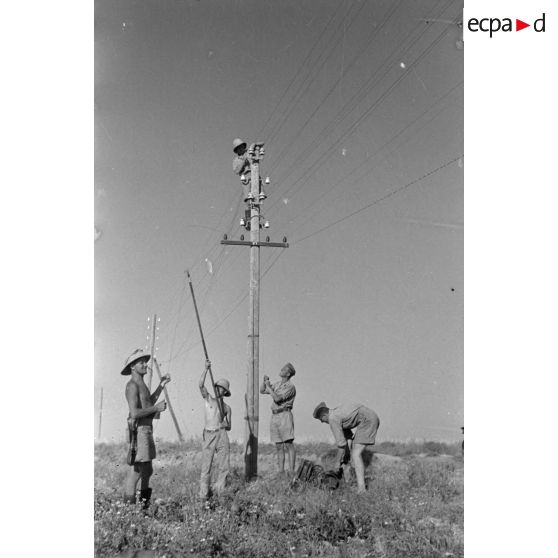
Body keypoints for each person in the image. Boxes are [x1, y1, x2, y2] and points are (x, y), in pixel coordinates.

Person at [122, 349, 170, 508]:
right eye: (141, 362)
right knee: (136, 471)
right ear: (133, 367)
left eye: (145, 361)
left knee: (147, 470)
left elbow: (148, 403)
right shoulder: (132, 386)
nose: (145, 364)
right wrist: (156, 408)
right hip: (138, 430)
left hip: (146, 430)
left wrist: (161, 386)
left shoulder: (142, 384)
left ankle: (144, 507)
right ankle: (128, 510)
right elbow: (135, 413)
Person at [312, 401, 380, 494]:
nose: (323, 422)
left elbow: (341, 445)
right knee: (353, 454)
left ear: (324, 415)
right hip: (369, 417)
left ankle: (362, 489)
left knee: (356, 454)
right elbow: (347, 439)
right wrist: (346, 456)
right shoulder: (338, 414)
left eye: (321, 420)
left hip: (368, 421)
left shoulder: (333, 418)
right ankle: (353, 481)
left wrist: (336, 462)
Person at [199, 359, 232, 500]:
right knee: (206, 466)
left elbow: (229, 426)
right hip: (209, 433)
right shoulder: (209, 399)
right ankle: (203, 495)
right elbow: (200, 385)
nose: (218, 390)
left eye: (221, 389)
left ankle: (220, 491)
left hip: (222, 435)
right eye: (217, 387)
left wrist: (225, 423)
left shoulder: (227, 408)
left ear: (225, 392)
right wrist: (206, 369)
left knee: (224, 465)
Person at [260, 363, 297, 474]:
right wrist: (264, 382)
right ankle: (281, 472)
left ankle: (291, 471)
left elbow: (277, 399)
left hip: (284, 415)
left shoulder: (290, 386)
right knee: (279, 446)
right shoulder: (277, 384)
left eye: (284, 369)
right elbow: (262, 391)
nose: (281, 370)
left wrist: (269, 387)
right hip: (275, 415)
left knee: (288, 444)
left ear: (288, 373)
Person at [232, 138, 266, 203]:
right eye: (238, 148)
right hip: (246, 179)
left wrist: (254, 145)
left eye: (241, 146)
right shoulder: (236, 160)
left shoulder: (250, 151)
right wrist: (244, 160)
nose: (240, 149)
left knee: (258, 198)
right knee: (249, 200)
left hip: (255, 176)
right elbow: (236, 170)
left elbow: (262, 143)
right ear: (236, 150)